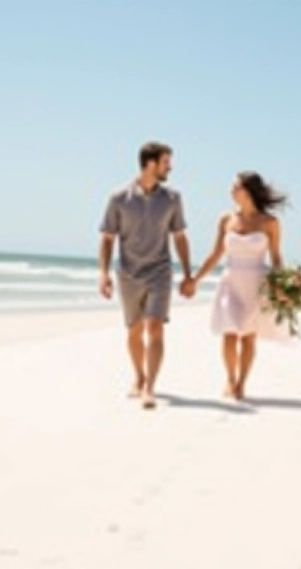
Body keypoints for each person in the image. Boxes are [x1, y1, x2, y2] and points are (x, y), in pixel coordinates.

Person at [98, 141, 192, 409]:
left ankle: (149, 387)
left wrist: (187, 274)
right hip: (128, 273)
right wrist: (103, 273)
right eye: (166, 162)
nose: (170, 168)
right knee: (135, 330)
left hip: (160, 271)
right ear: (150, 163)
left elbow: (180, 237)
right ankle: (139, 377)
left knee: (155, 327)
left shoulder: (173, 198)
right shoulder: (118, 198)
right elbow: (107, 238)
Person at [182, 171, 290, 400]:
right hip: (230, 281)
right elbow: (215, 254)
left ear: (248, 191)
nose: (231, 191)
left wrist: (280, 284)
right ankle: (230, 378)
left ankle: (242, 382)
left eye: (236, 187)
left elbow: (276, 256)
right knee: (229, 332)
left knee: (248, 336)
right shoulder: (226, 219)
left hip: (256, 283)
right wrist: (195, 280)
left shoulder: (270, 222)